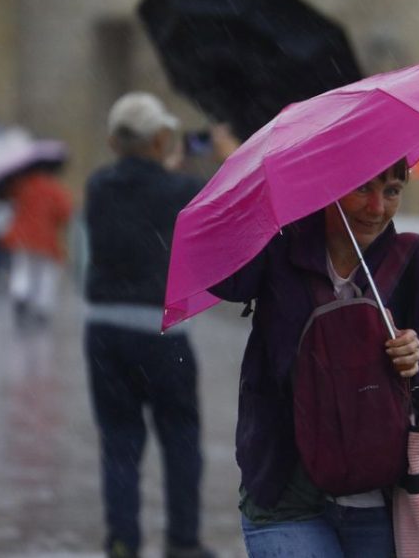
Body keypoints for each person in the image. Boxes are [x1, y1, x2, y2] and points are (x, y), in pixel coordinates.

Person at [208, 160, 419, 557]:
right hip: (284, 485)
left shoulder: (418, 261)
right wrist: (257, 203)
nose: (377, 208)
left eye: (392, 191)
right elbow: (227, 280)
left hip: (381, 495)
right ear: (328, 188)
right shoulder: (281, 248)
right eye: (362, 189)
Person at [83, 92, 236, 558]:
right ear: (161, 140)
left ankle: (124, 541)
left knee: (119, 440)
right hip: (163, 333)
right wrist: (225, 153)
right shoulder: (180, 190)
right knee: (180, 436)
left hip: (105, 329)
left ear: (112, 140)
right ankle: (182, 541)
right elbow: (221, 205)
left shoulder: (96, 185)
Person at [1, 160, 73, 326]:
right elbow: (65, 212)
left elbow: (11, 202)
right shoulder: (55, 189)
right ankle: (42, 306)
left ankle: (20, 294)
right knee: (45, 273)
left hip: (22, 236)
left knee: (22, 268)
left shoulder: (22, 185)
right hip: (45, 237)